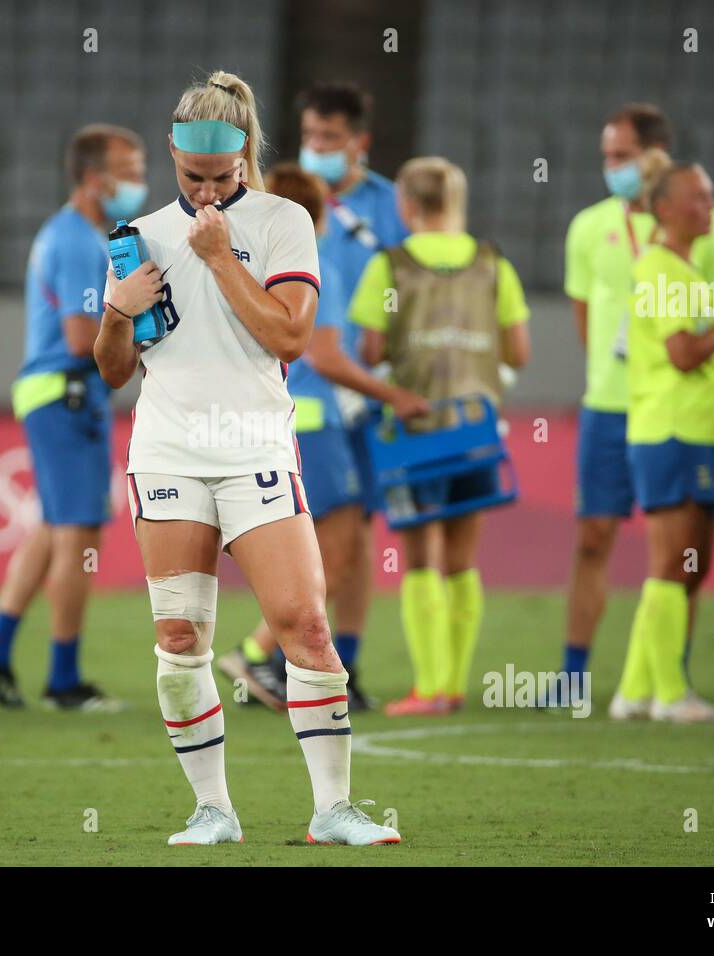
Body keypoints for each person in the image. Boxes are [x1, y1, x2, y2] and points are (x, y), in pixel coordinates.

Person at [94, 70, 400, 846]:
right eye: (191, 177)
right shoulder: (139, 234)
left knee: (303, 622)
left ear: (245, 156)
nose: (203, 193)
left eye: (220, 177)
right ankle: (213, 810)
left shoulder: (282, 220)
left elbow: (291, 337)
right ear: (172, 152)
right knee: (181, 638)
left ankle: (334, 808)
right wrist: (116, 313)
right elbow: (113, 368)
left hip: (255, 446)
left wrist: (223, 257)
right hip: (167, 453)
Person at [215, 163, 428, 712]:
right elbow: (327, 355)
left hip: (302, 418)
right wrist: (393, 395)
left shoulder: (250, 265)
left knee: (353, 549)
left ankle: (337, 667)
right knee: (332, 555)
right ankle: (255, 653)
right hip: (316, 421)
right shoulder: (311, 261)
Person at [561, 104, 714, 692]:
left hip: (676, 407)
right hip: (610, 405)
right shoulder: (589, 227)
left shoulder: (709, 229)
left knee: (683, 553)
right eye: (606, 156)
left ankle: (670, 676)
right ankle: (573, 676)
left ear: (654, 157)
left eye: (622, 156)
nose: (611, 168)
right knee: (593, 539)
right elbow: (587, 323)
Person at [0, 125, 145, 711]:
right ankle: (63, 681)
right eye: (129, 168)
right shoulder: (76, 241)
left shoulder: (70, 235)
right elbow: (78, 336)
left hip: (54, 396)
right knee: (78, 535)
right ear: (95, 178)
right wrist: (145, 342)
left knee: (52, 527)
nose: (139, 181)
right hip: (67, 396)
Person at [350, 157, 531, 716]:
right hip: (475, 429)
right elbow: (518, 352)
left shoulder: (391, 265)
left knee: (419, 558)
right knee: (462, 556)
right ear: (457, 201)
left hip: (414, 430)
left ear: (406, 205)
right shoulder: (492, 263)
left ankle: (428, 688)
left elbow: (371, 350)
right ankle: (453, 684)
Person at [609, 154, 714, 723]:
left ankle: (635, 691)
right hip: (670, 428)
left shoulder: (685, 271)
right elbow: (683, 353)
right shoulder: (660, 268)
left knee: (692, 565)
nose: (709, 205)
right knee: (672, 564)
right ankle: (669, 694)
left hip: (698, 430)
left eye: (710, 195)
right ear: (664, 208)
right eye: (699, 197)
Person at [292, 81, 410, 697]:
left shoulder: (391, 206)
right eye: (310, 136)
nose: (317, 148)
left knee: (359, 530)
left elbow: (410, 288)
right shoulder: (286, 204)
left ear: (359, 143)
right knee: (320, 538)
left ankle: (349, 661)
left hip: (368, 387)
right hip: (309, 391)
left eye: (329, 138)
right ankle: (270, 656)